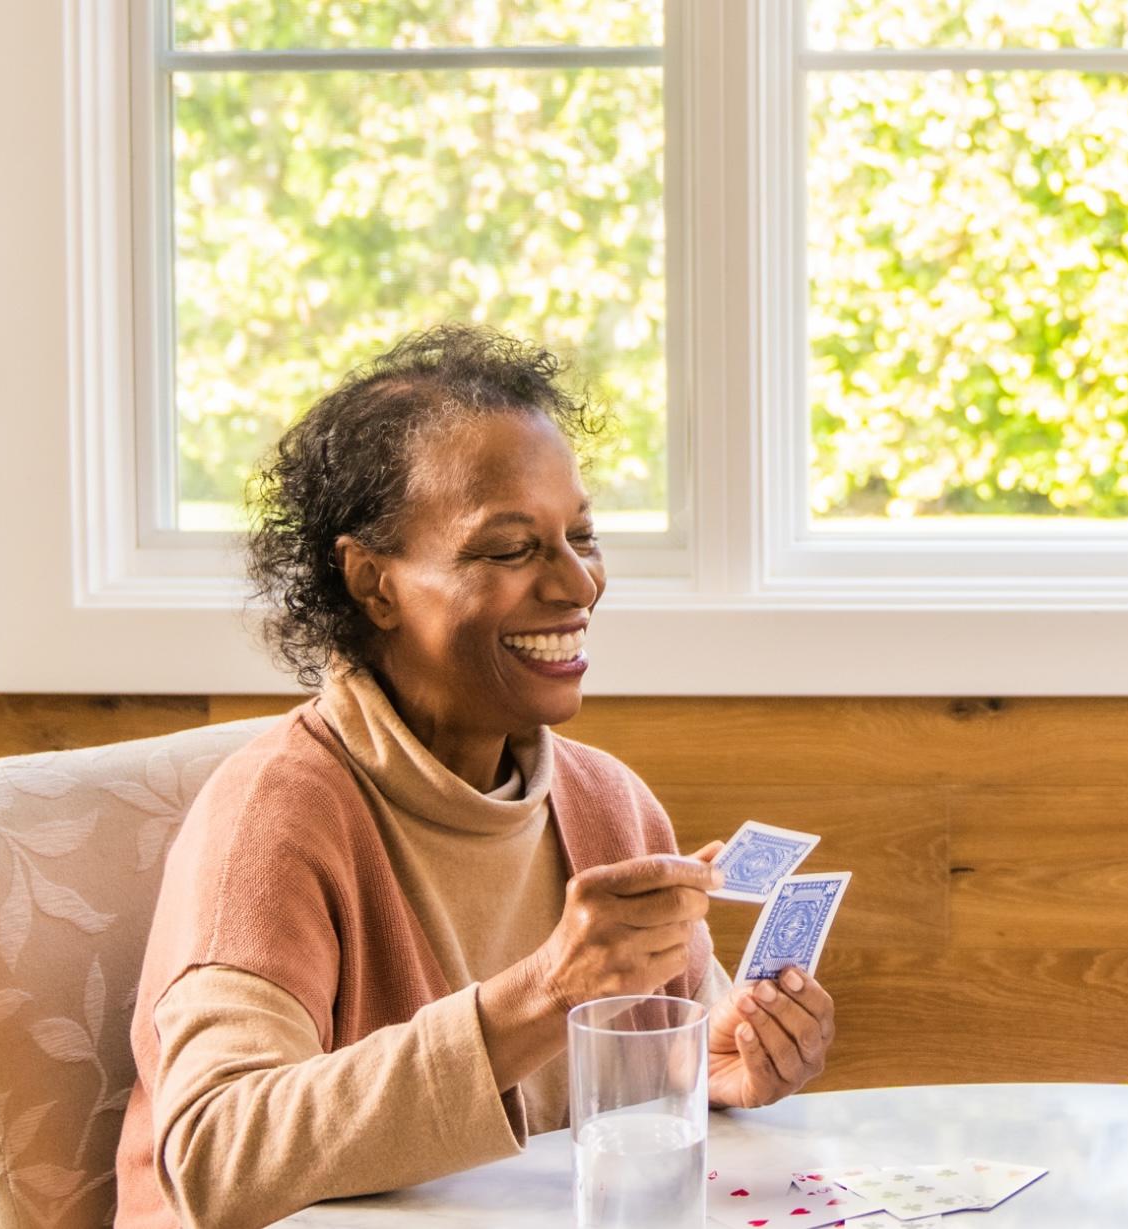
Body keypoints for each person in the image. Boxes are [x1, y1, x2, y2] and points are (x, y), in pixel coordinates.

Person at [114, 325, 838, 1228]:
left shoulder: (609, 803)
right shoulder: (273, 822)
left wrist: (714, 1065)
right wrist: (546, 992)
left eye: (581, 534)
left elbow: (633, 1113)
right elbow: (217, 1156)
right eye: (509, 548)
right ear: (373, 581)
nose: (578, 583)